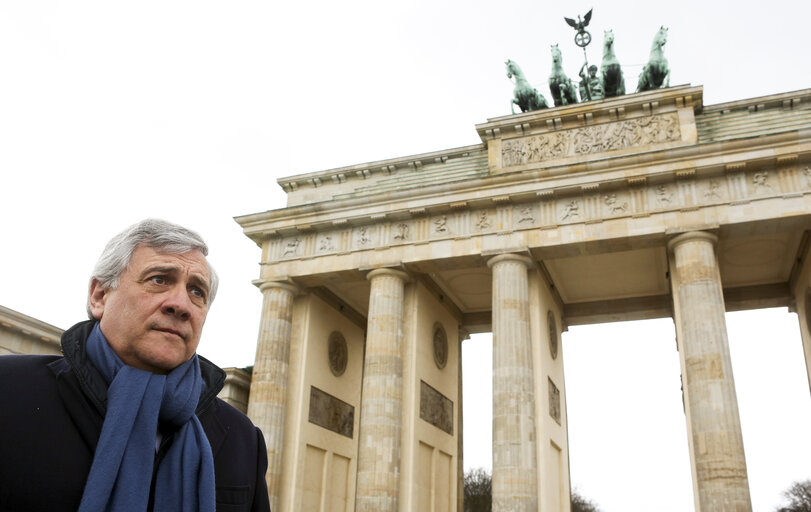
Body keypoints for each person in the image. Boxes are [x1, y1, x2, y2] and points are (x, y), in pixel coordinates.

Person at [0, 219, 271, 512]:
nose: (180, 304)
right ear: (99, 296)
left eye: (197, 292)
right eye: (159, 279)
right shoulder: (9, 391)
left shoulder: (242, 439)